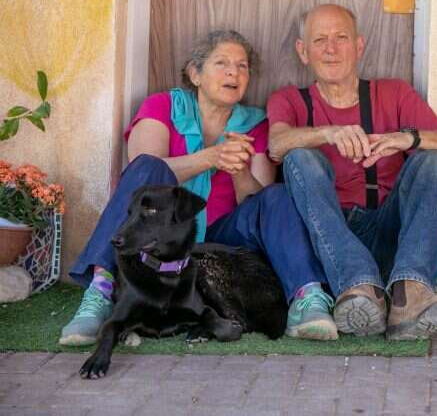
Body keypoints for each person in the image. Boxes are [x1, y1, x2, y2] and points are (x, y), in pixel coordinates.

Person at [61, 30, 340, 346]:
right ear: (195, 73)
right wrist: (211, 158)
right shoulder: (162, 106)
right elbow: (145, 180)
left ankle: (307, 297)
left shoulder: (256, 122)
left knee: (274, 195)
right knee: (148, 165)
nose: (234, 72)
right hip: (159, 239)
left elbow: (257, 202)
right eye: (222, 63)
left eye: (242, 66)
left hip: (224, 237)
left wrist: (238, 170)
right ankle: (100, 289)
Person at [267, 4, 437, 340]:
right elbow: (276, 145)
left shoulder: (394, 93)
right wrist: (327, 133)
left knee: (431, 158)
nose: (331, 49)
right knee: (298, 156)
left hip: (385, 229)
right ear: (303, 52)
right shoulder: (289, 100)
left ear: (359, 46)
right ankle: (358, 288)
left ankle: (410, 296)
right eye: (320, 40)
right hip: (327, 238)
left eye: (341, 38)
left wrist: (409, 138)